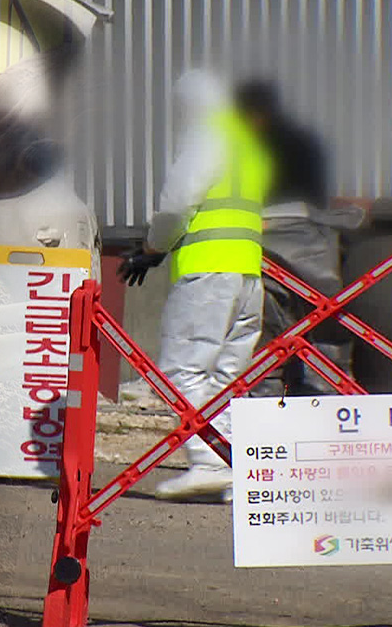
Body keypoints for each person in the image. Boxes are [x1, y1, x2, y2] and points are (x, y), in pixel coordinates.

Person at [119, 69, 273, 503]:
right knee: (225, 375)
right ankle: (227, 465)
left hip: (207, 271)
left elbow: (178, 202)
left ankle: (207, 462)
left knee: (180, 371)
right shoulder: (249, 145)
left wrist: (153, 247)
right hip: (247, 274)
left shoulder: (208, 136)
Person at [233, 80, 362, 398]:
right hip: (313, 240)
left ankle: (268, 390)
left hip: (268, 236)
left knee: (269, 323)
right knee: (321, 320)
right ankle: (322, 388)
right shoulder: (305, 141)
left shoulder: (249, 145)